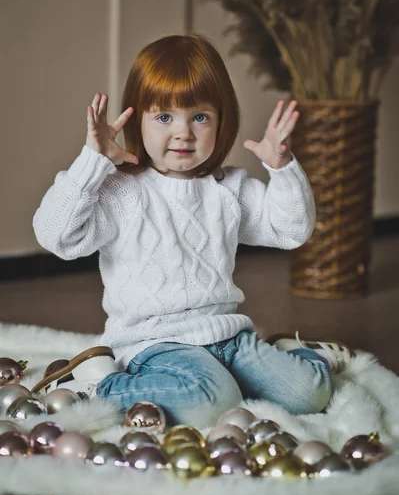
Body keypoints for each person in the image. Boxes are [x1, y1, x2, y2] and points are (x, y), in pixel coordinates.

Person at [32, 33, 353, 428]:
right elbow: (55, 237)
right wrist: (91, 161)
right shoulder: (122, 190)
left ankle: (293, 352)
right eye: (164, 117)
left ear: (221, 120)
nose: (183, 133)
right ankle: (95, 386)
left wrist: (283, 169)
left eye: (199, 117)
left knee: (310, 393)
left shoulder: (229, 188)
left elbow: (291, 231)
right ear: (137, 119)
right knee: (212, 402)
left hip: (229, 336)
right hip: (155, 342)